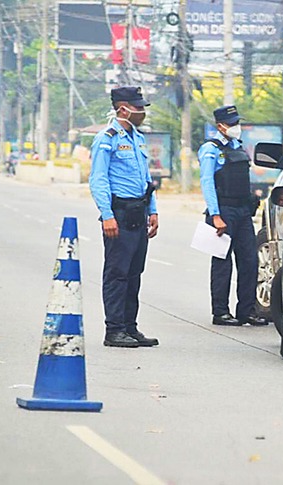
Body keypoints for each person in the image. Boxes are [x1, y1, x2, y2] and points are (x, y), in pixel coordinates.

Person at [89, 86, 160, 348]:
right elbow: (98, 179)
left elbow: (146, 180)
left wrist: (152, 210)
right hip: (118, 213)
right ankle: (114, 330)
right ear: (123, 109)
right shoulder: (106, 139)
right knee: (117, 273)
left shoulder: (138, 138)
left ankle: (130, 327)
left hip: (138, 212)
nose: (142, 113)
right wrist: (107, 215)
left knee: (134, 273)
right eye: (138, 108)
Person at [197, 105, 267, 327]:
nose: (237, 127)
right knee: (222, 263)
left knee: (249, 260)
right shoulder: (210, 149)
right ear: (220, 126)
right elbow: (207, 182)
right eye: (233, 124)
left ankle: (246, 311)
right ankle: (220, 312)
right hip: (223, 212)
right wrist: (216, 215)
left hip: (242, 211)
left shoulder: (238, 146)